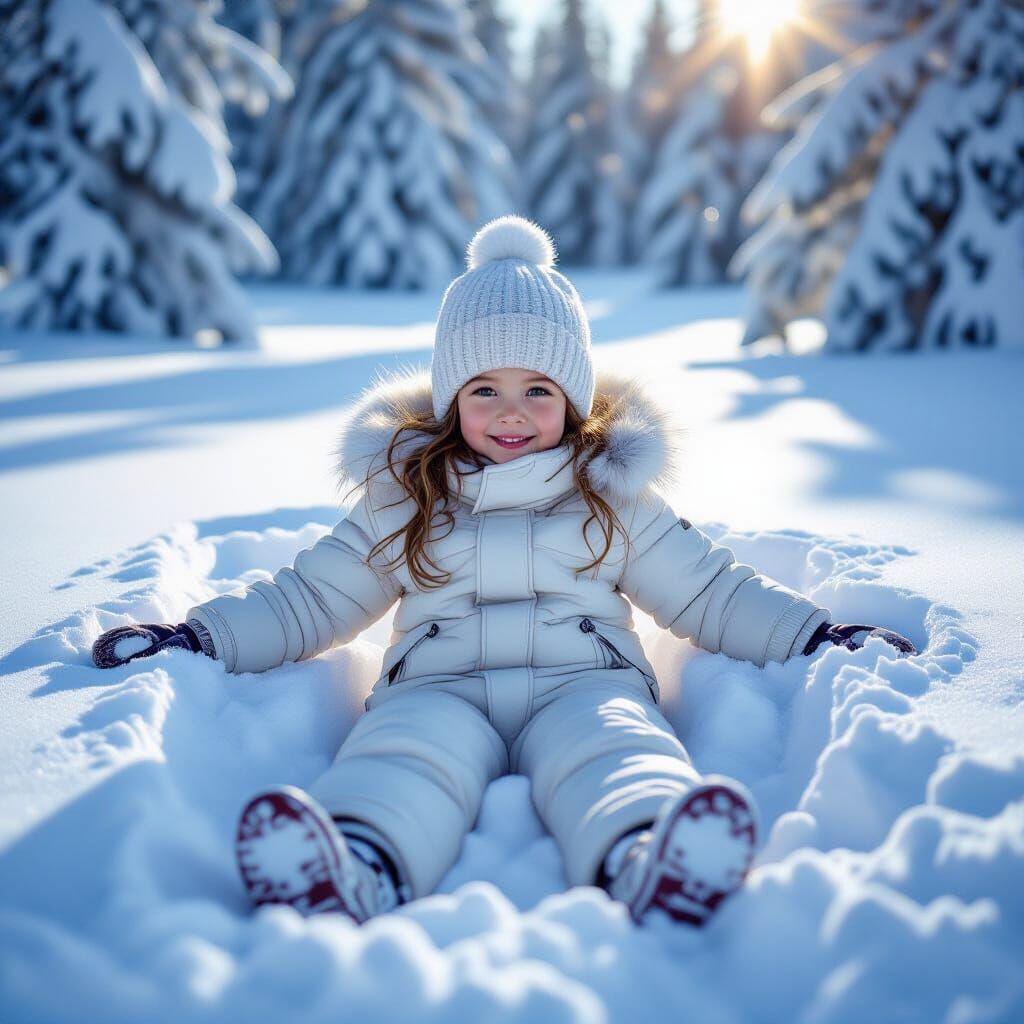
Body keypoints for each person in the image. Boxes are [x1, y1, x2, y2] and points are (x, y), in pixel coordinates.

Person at [92, 216, 916, 928]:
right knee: (400, 759)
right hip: (438, 687)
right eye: (483, 389)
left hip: (583, 685)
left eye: (538, 388)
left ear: (576, 399)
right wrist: (199, 636)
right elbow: (311, 598)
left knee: (619, 751)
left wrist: (816, 633)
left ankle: (650, 856)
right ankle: (351, 866)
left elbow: (706, 588)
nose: (511, 412)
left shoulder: (612, 493)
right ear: (451, 400)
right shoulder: (406, 495)